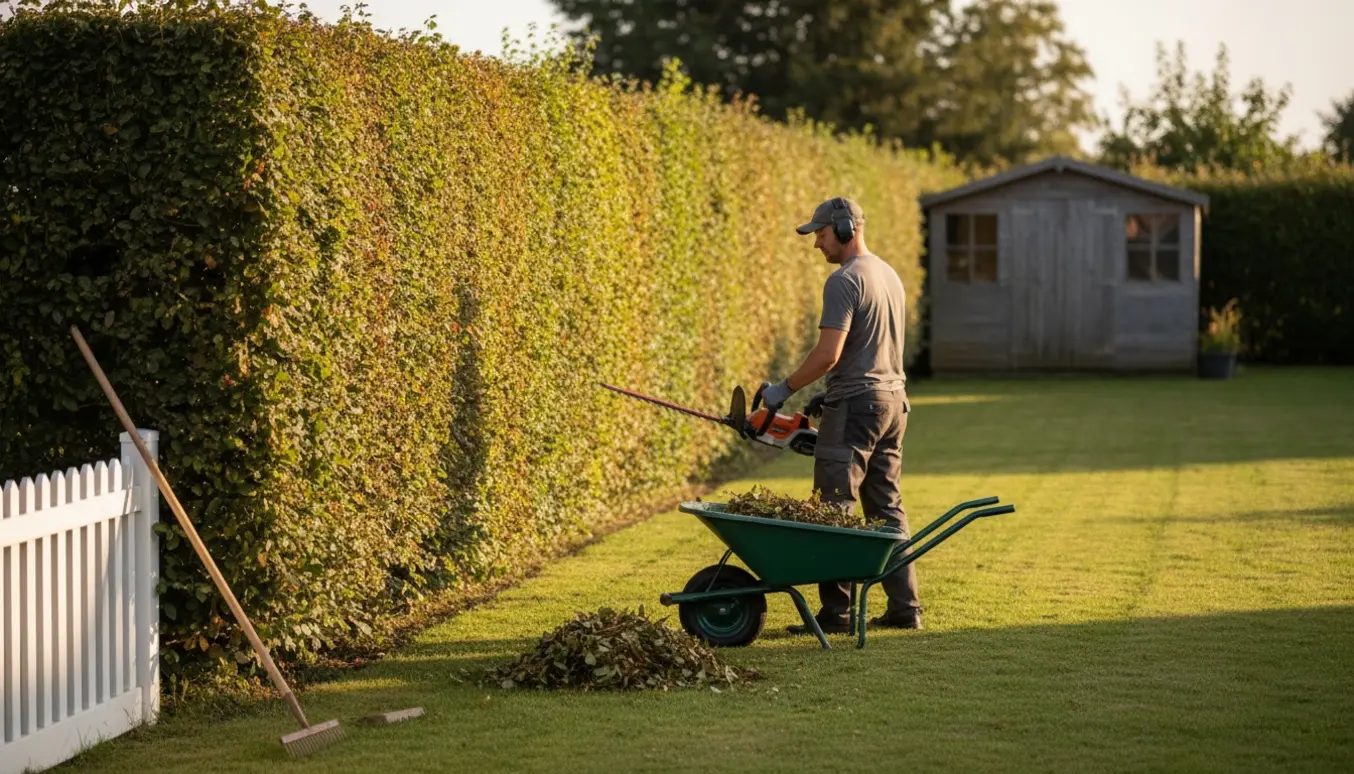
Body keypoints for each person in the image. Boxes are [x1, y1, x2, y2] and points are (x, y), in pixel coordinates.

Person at [758, 196, 922, 633]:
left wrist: (783, 390)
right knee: (886, 507)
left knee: (834, 508)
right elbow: (868, 350)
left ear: (846, 229)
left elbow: (829, 354)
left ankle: (837, 614)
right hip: (892, 404)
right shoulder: (888, 274)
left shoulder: (845, 280)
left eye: (821, 234)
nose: (817, 245)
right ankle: (906, 608)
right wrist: (825, 398)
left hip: (856, 406)